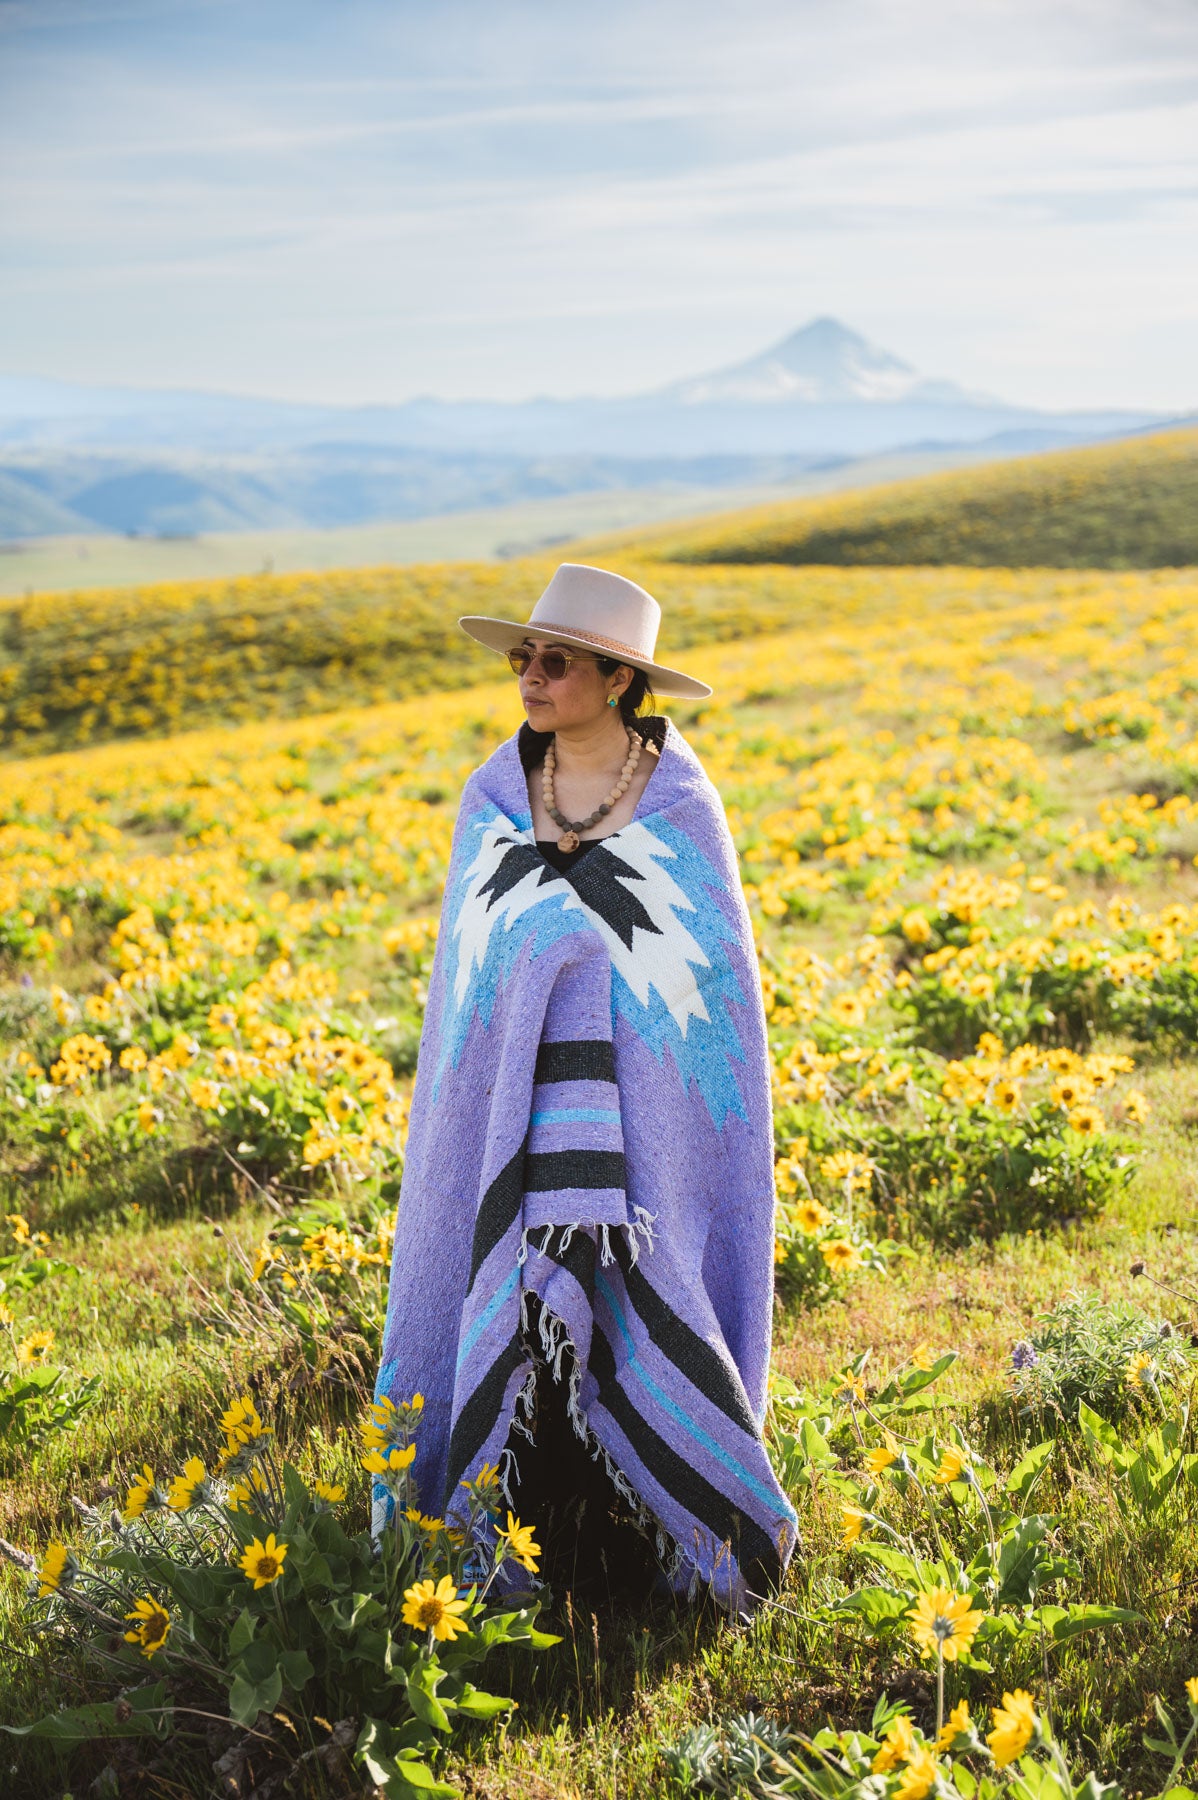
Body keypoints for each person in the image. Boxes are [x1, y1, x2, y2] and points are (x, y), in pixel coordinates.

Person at [373, 563, 796, 1613]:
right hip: (504, 1124)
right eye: (521, 655)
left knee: (647, 1279)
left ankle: (656, 1520)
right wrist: (557, 940)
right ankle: (499, 1526)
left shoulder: (684, 810)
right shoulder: (492, 797)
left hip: (644, 1153)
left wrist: (574, 943)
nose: (528, 674)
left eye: (554, 660)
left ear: (617, 678)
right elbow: (473, 985)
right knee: (494, 1292)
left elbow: (707, 1011)